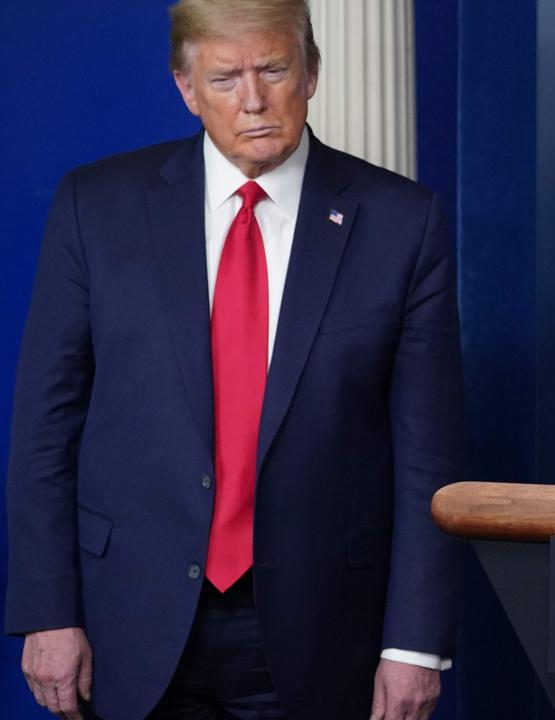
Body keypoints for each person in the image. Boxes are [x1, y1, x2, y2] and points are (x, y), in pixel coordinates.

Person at [5, 1, 462, 718]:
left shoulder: (402, 222)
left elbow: (427, 455)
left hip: (322, 627)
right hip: (128, 618)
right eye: (224, 79)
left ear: (311, 72)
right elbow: (44, 429)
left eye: (273, 70)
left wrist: (413, 645)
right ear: (186, 89)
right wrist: (46, 609)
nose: (253, 100)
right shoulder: (95, 208)